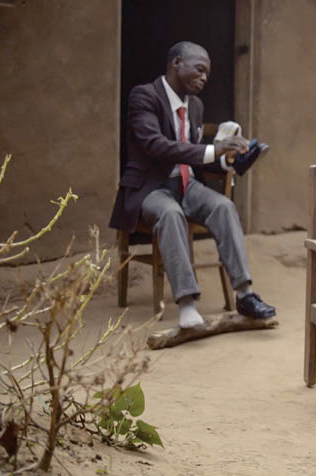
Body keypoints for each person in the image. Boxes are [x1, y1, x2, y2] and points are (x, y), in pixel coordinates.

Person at [108, 41, 276, 329]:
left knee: (224, 206)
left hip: (186, 184)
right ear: (176, 63)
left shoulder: (195, 105)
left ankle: (245, 294)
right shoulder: (144, 96)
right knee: (170, 214)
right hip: (150, 188)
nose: (204, 78)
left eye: (207, 73)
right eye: (199, 69)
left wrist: (232, 161)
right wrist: (215, 148)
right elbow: (155, 146)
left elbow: (195, 154)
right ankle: (186, 304)